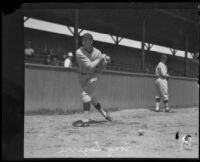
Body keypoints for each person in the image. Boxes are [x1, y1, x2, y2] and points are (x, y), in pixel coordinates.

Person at [74, 33, 112, 127]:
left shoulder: (97, 52)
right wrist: (101, 59)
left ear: (91, 41)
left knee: (85, 95)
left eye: (85, 40)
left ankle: (86, 121)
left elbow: (101, 67)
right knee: (92, 98)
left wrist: (105, 63)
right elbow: (89, 66)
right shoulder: (79, 52)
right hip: (82, 76)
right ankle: (105, 114)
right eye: (82, 39)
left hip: (93, 76)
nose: (83, 41)